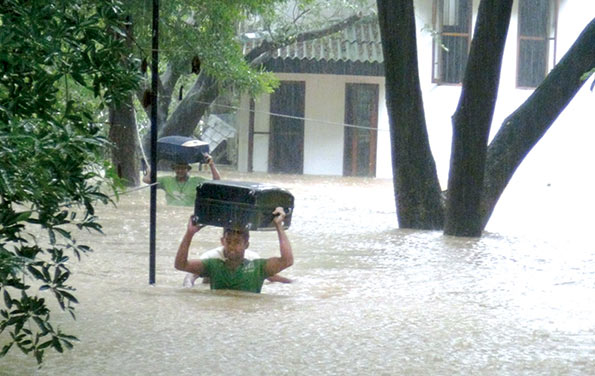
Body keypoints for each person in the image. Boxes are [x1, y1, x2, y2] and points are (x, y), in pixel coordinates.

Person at [174, 207, 293, 293]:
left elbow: (287, 261)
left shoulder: (258, 267)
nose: (231, 246)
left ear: (246, 244)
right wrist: (189, 233)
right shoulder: (213, 265)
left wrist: (279, 226)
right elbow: (180, 265)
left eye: (237, 242)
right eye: (228, 241)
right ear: (222, 242)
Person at [142, 154, 221, 207]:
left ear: (188, 169)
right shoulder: (166, 180)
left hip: (188, 213)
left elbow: (217, 181)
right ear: (174, 169)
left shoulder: (197, 181)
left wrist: (211, 164)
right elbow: (146, 180)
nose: (180, 171)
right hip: (171, 213)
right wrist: (152, 167)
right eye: (177, 168)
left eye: (183, 168)